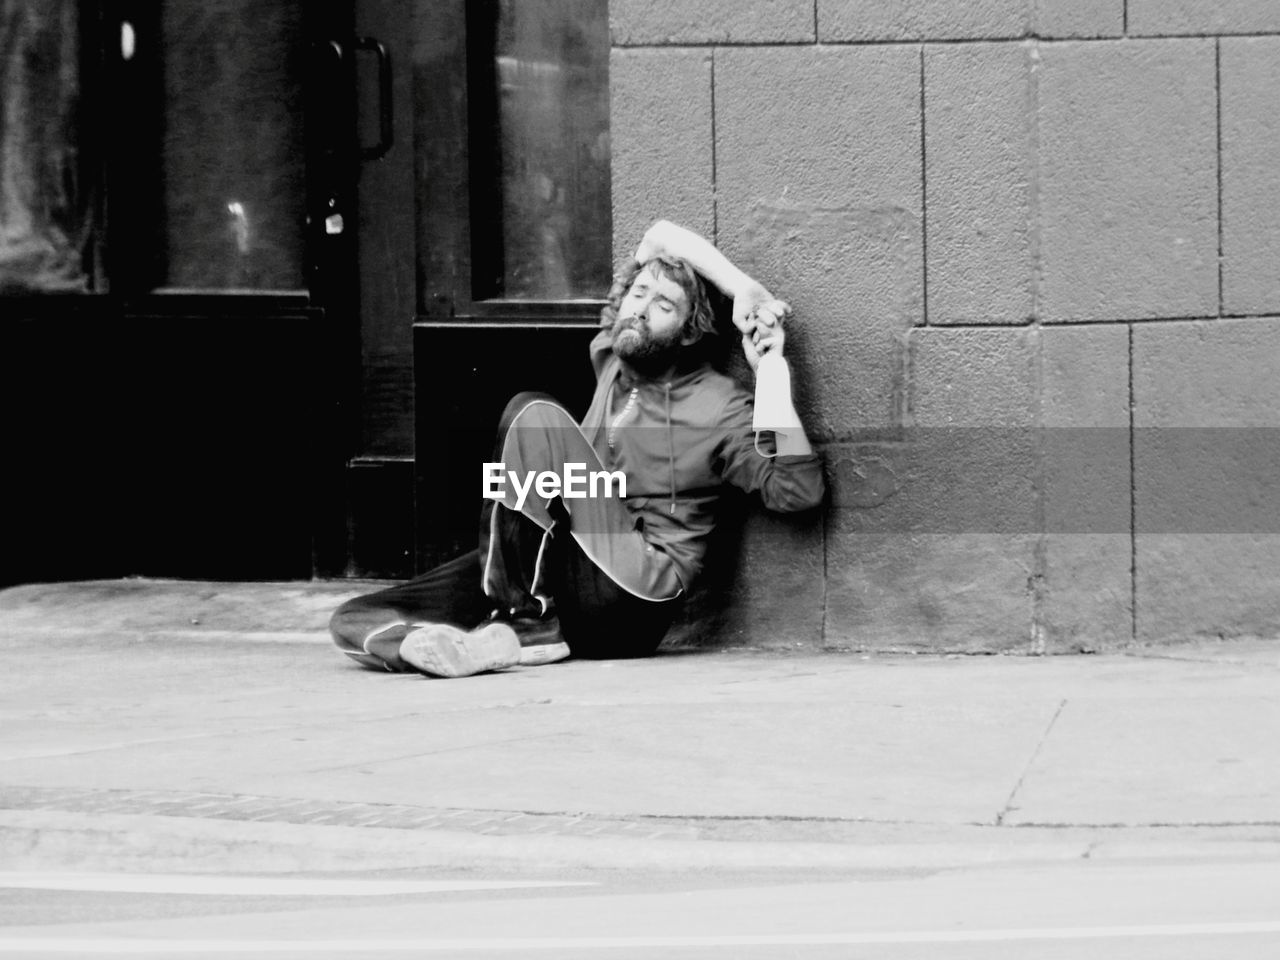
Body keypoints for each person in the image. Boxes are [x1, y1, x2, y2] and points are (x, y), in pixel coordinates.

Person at [329, 220, 825, 677]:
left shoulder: (718, 403)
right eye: (638, 292)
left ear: (689, 332)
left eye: (664, 305)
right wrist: (739, 284)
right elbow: (656, 237)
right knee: (357, 616)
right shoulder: (615, 356)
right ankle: (438, 644)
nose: (640, 308)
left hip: (633, 598)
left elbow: (797, 492)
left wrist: (773, 377)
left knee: (534, 415)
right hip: (564, 574)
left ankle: (524, 624)